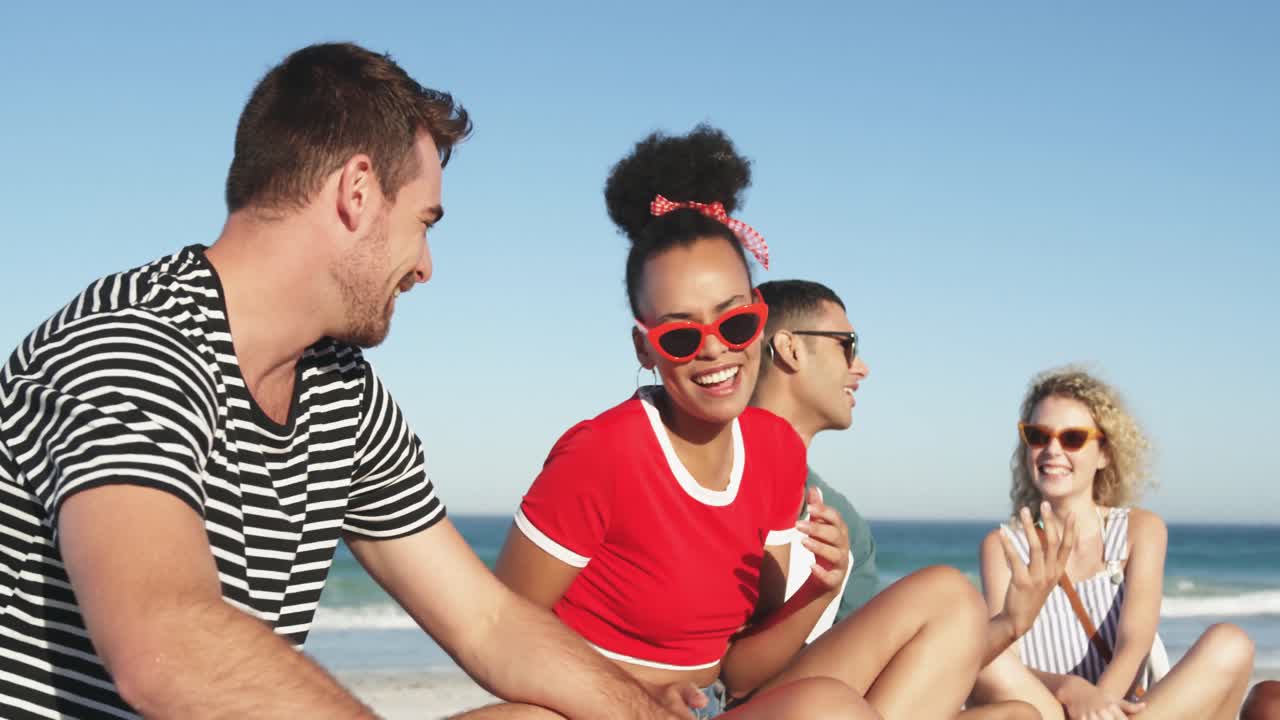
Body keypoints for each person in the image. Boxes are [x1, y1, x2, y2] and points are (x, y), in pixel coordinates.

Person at [0, 42, 690, 720]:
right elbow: (167, 647)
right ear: (357, 192)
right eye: (423, 223)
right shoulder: (134, 345)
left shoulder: (341, 391)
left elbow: (486, 622)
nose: (425, 267)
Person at [497, 125, 995, 719]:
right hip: (601, 708)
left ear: (758, 320)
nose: (715, 351)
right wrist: (633, 695)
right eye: (682, 334)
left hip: (718, 704)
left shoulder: (776, 452)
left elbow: (742, 670)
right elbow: (501, 635)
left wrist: (819, 589)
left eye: (733, 325)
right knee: (830, 710)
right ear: (645, 348)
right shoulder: (603, 452)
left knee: (950, 599)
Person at [970, 368, 1255, 719]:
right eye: (1038, 435)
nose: (1052, 450)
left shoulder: (1140, 530)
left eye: (1072, 438)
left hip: (1125, 710)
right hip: (1048, 711)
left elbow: (1134, 643)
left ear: (1104, 453)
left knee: (1231, 643)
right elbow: (1004, 661)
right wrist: (1071, 690)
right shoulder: (1003, 545)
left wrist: (1100, 703)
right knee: (977, 655)